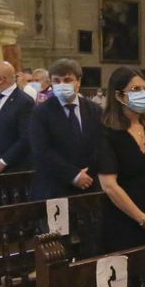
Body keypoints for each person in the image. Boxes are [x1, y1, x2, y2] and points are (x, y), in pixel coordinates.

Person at [97, 66, 145, 252]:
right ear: (119, 96)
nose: (143, 95)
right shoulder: (106, 134)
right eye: (135, 90)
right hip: (124, 217)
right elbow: (109, 185)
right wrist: (142, 218)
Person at [27, 57, 107, 202]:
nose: (61, 84)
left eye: (67, 80)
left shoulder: (94, 110)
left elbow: (101, 145)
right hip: (54, 187)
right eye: (56, 81)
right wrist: (74, 175)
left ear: (78, 82)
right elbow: (41, 151)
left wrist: (88, 172)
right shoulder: (40, 112)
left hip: (89, 183)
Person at [0, 60, 33, 175]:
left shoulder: (25, 102)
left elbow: (26, 138)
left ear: (1, 79)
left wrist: (3, 162)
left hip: (15, 168)